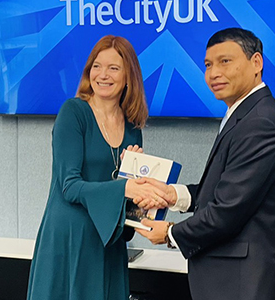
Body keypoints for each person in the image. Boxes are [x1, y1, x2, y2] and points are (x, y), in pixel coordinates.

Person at [136, 28, 275, 300]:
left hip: (244, 285)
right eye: (208, 65)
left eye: (225, 61)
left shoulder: (261, 124)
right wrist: (173, 195)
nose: (213, 74)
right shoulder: (245, 116)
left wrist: (170, 234)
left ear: (256, 63)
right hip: (231, 282)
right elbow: (224, 191)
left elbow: (228, 211)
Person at [27, 35, 169, 300]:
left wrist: (140, 190)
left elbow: (125, 194)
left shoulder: (132, 128)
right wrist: (125, 185)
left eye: (113, 68)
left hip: (108, 238)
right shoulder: (73, 112)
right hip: (71, 238)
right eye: (96, 66)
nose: (103, 75)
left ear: (129, 76)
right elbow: (69, 186)